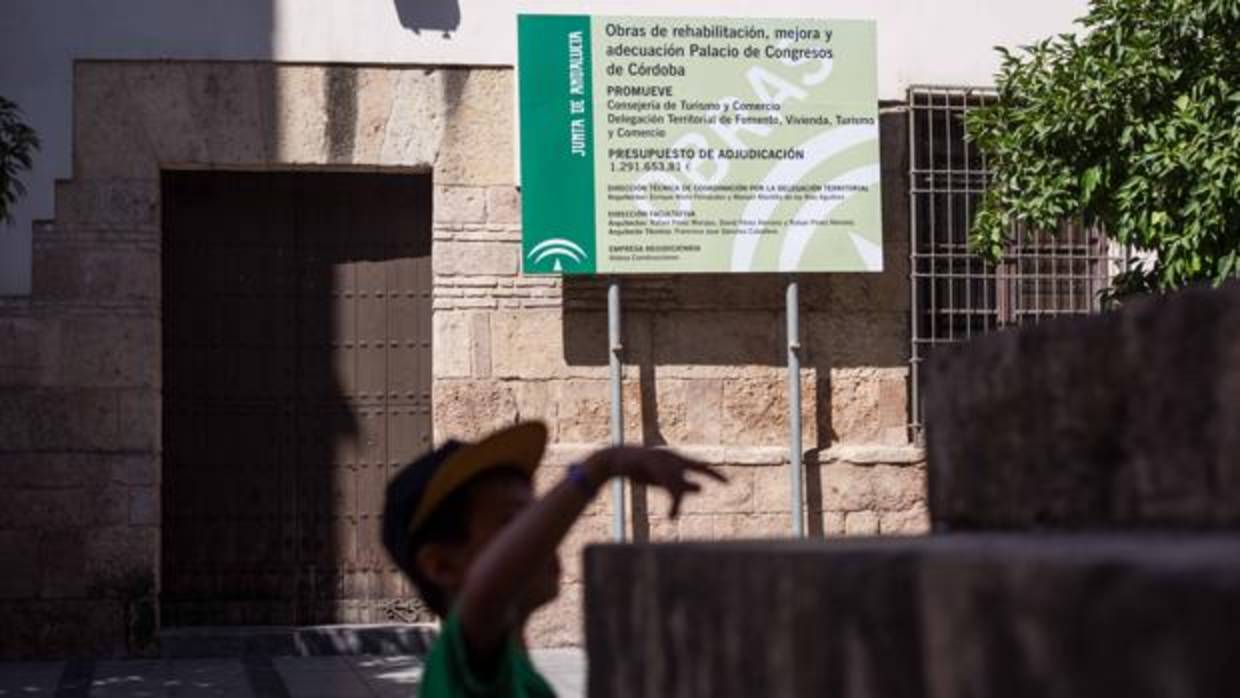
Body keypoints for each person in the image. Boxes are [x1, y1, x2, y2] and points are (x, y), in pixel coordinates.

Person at [381, 421, 724, 697]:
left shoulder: (517, 673)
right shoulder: (456, 668)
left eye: (535, 515)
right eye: (514, 523)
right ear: (442, 566)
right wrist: (600, 467)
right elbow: (484, 593)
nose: (546, 538)